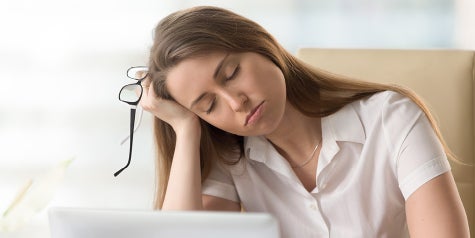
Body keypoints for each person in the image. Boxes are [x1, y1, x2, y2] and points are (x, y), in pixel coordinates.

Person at [138, 6, 469, 238]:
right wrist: (185, 129)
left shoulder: (392, 119)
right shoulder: (232, 158)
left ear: (260, 45)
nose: (236, 103)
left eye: (231, 73)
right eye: (209, 106)